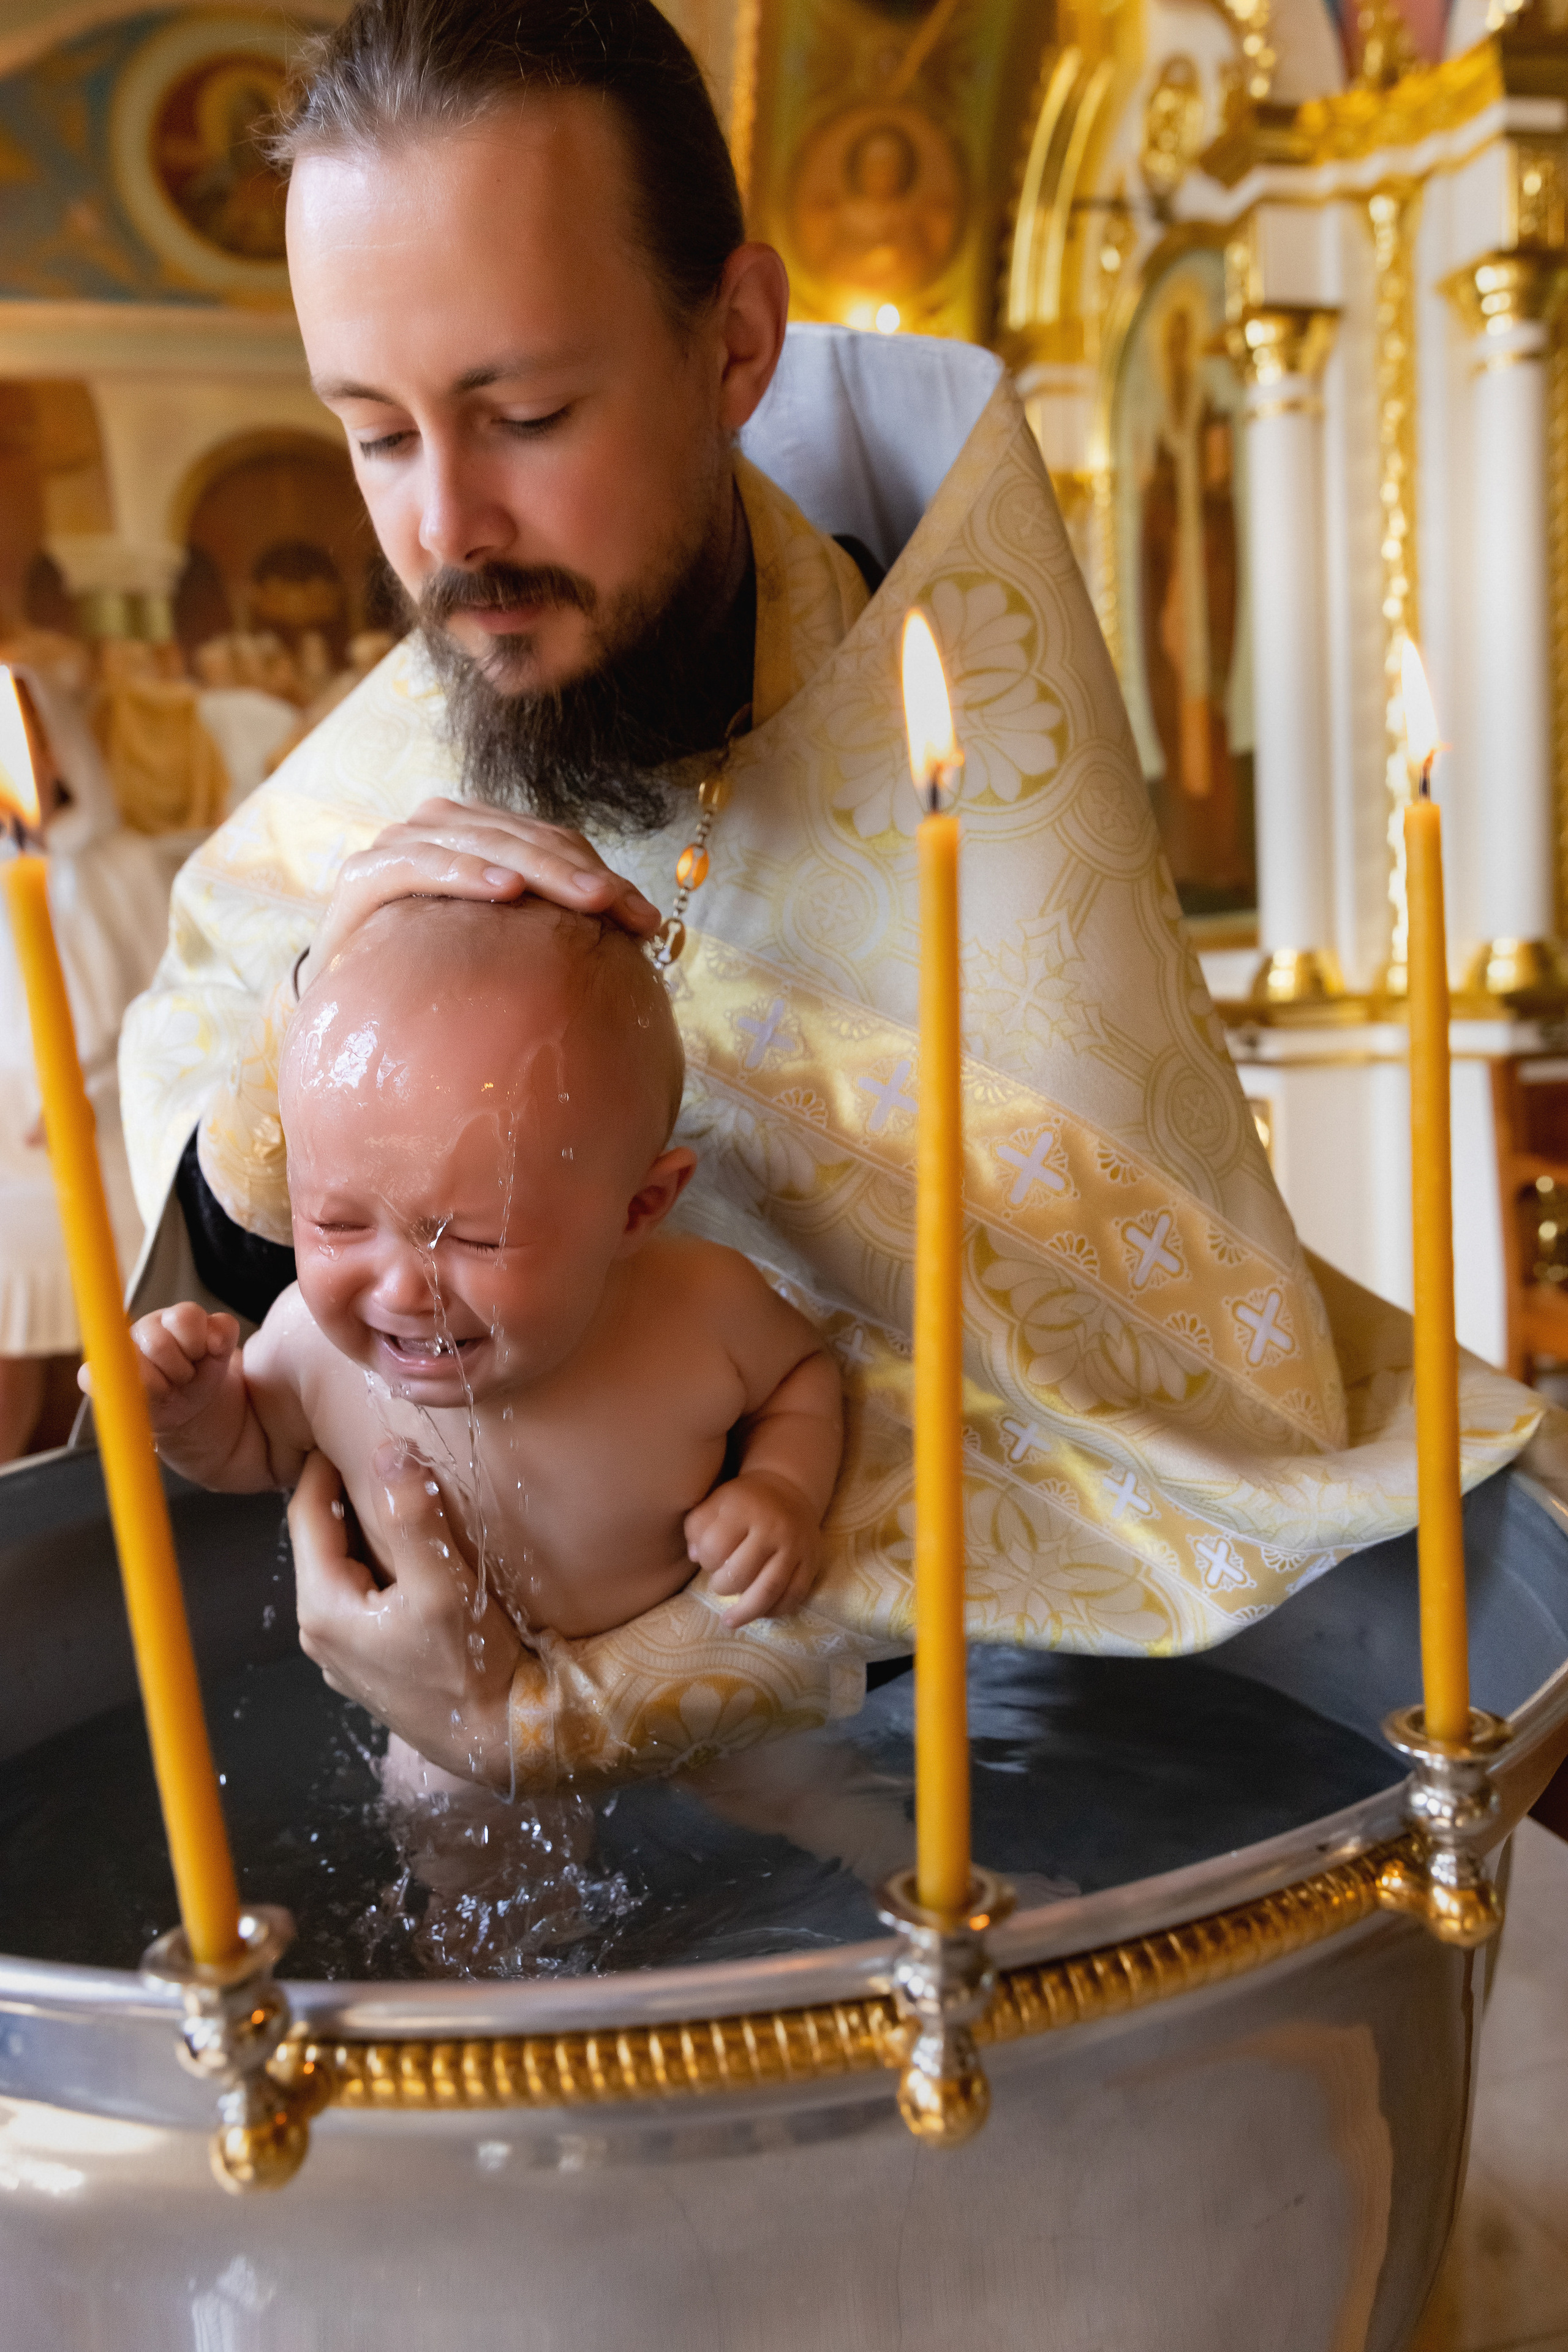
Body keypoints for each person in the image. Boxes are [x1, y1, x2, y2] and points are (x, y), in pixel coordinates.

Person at [120, 0, 1543, 1793]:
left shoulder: (972, 772)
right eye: (378, 436)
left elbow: (1139, 1439)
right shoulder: (401, 746)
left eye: (527, 411)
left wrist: (580, 1700)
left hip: (974, 1798)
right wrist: (316, 1008)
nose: (447, 532)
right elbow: (243, 1272)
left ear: (737, 345)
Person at [117, 896, 843, 1782]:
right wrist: (189, 1414)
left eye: (475, 1239)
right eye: (338, 1225)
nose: (396, 1288)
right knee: (448, 1844)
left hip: (694, 1672)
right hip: (441, 1717)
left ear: (639, 1207)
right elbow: (250, 1448)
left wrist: (782, 1486)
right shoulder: (310, 1341)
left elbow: (802, 1376)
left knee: (816, 1795)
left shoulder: (699, 1308)